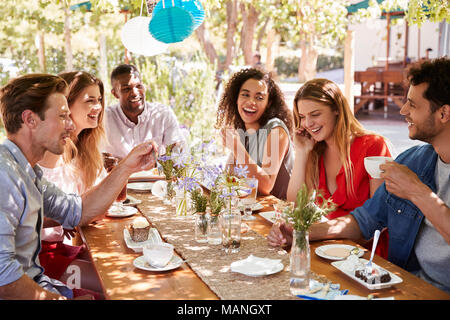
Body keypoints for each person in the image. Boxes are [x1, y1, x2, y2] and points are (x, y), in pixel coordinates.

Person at [268, 57, 450, 293]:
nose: (403, 110)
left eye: (412, 105)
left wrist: (417, 191)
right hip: (410, 282)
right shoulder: (413, 161)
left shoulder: (393, 161)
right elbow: (365, 221)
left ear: (444, 113)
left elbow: (376, 233)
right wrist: (301, 234)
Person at [0, 73, 158, 300]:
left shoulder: (26, 171)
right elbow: (5, 283)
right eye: (63, 116)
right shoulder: (5, 175)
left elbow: (79, 210)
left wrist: (126, 168)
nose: (70, 124)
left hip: (41, 282)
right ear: (30, 119)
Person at [37, 71, 107, 295]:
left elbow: (91, 202)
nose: (98, 107)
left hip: (61, 249)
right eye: (90, 101)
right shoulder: (47, 152)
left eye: (99, 100)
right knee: (109, 289)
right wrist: (63, 216)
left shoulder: (83, 148)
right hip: (39, 256)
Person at [216, 68, 294, 200]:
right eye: (245, 95)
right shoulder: (242, 132)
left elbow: (265, 186)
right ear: (236, 98)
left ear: (268, 103)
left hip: (279, 215)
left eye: (259, 97)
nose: (251, 102)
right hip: (253, 212)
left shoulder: (276, 130)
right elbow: (228, 180)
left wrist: (236, 148)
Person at [103, 64, 185, 159]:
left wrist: (174, 152)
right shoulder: (105, 118)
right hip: (119, 174)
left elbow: (177, 152)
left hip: (155, 174)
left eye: (138, 86)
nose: (135, 93)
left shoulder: (162, 114)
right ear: (115, 94)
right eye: (126, 89)